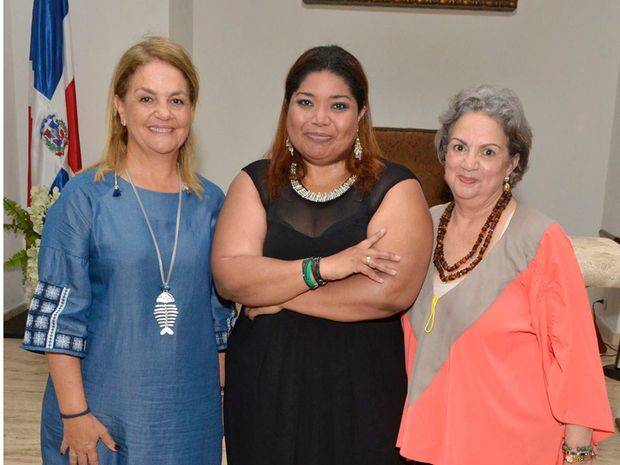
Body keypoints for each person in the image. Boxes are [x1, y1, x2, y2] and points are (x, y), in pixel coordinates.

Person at [211, 45, 433, 465]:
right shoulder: (254, 181)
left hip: (361, 390)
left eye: (338, 105)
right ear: (287, 107)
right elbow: (230, 277)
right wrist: (326, 269)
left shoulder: (396, 188)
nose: (319, 119)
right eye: (306, 102)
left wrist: (278, 293)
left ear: (361, 114)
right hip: (266, 386)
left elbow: (389, 293)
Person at [21, 37, 234, 465]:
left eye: (177, 99)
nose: (163, 113)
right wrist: (75, 413)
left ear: (192, 110)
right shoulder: (84, 199)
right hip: (101, 419)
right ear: (120, 107)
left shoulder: (212, 202)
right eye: (146, 98)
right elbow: (57, 319)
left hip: (189, 420)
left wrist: (218, 407)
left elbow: (219, 320)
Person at [397, 85, 614, 465]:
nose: (469, 163)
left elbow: (575, 357)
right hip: (429, 441)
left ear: (513, 163)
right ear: (444, 152)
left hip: (513, 447)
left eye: (488, 152)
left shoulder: (540, 239)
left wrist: (577, 455)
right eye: (460, 147)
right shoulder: (421, 225)